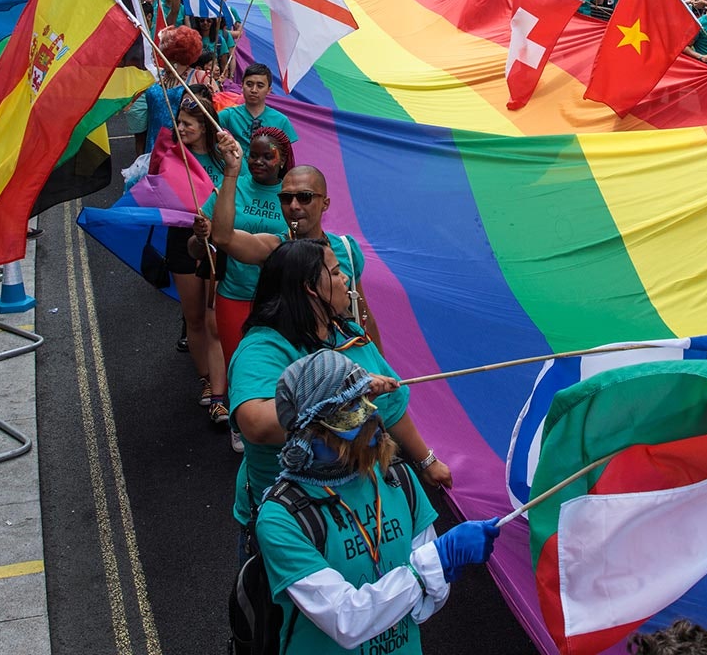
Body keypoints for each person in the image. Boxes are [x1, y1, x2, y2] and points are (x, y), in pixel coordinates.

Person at [255, 349, 497, 655]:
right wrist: (434, 563)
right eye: (350, 405)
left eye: (366, 398)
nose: (371, 414)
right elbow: (346, 621)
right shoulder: (282, 517)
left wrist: (430, 572)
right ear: (312, 429)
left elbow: (429, 603)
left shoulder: (398, 478)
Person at [228, 239, 452, 534]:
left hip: (360, 504)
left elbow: (391, 407)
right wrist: (344, 390)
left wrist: (426, 460)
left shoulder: (348, 333)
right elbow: (255, 425)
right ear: (311, 287)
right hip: (294, 521)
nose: (345, 278)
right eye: (335, 273)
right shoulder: (263, 348)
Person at [203, 147, 383, 350]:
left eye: (304, 197)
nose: (294, 206)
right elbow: (223, 237)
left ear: (325, 204)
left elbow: (361, 311)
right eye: (286, 198)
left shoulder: (347, 249)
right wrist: (231, 172)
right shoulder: (274, 248)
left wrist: (384, 369)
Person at [194, 126, 295, 375]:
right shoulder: (230, 186)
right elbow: (197, 250)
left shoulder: (293, 197)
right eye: (253, 155)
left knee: (274, 372)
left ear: (282, 160)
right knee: (237, 369)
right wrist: (200, 238)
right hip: (233, 295)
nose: (258, 161)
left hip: (277, 302)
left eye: (267, 156)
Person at [163, 89, 230, 429]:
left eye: (187, 123)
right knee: (195, 318)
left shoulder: (222, 158)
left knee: (215, 317)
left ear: (204, 126)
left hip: (218, 246)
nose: (181, 128)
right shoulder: (173, 157)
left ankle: (221, 391)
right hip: (183, 242)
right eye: (179, 122)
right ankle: (206, 376)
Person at [218, 63, 299, 155]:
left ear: (269, 90)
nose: (254, 90)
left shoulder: (281, 121)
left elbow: (285, 154)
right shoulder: (228, 115)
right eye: (249, 84)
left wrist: (271, 147)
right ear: (242, 86)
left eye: (260, 86)